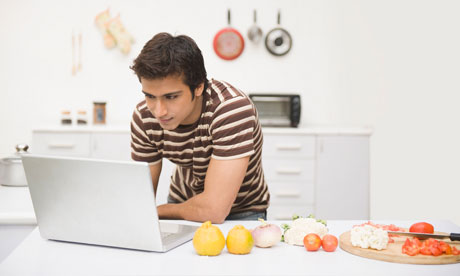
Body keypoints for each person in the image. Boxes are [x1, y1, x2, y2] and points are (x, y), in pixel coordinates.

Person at [129, 32, 269, 223]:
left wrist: (157, 212)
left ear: (198, 87)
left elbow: (214, 211)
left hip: (240, 213)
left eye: (171, 97)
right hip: (181, 204)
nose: (159, 111)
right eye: (150, 96)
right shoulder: (145, 116)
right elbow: (140, 201)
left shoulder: (231, 110)